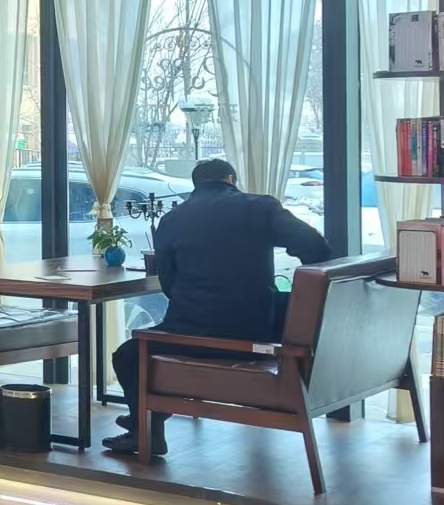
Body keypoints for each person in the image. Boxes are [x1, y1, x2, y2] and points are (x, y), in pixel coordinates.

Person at [102, 157, 332, 457]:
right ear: (231, 180)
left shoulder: (172, 220)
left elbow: (170, 287)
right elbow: (317, 248)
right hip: (259, 333)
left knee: (127, 355)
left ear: (196, 185)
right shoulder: (261, 207)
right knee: (277, 300)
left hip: (197, 337)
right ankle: (144, 418)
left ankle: (144, 428)